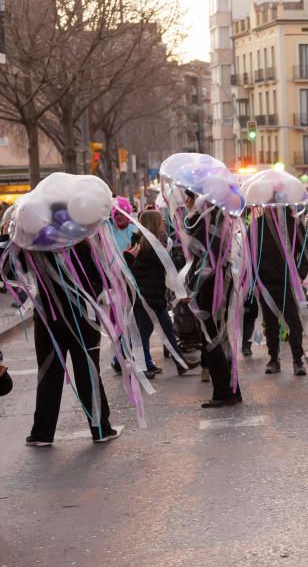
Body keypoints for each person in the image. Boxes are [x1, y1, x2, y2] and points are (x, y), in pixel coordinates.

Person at [25, 240, 118, 446]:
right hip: (83, 317)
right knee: (88, 372)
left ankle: (42, 433)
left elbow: (12, 270)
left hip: (49, 319)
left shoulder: (35, 245)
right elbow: (107, 279)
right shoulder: (87, 245)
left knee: (49, 373)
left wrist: (7, 239)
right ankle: (100, 429)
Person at [183, 191, 242, 407]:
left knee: (212, 337)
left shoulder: (211, 222)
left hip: (212, 287)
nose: (187, 202)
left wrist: (193, 289)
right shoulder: (216, 219)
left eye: (190, 198)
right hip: (216, 285)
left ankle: (223, 391)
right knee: (218, 337)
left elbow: (207, 260)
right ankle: (232, 390)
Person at [123, 209, 191, 376]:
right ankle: (139, 365)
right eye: (160, 220)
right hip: (145, 296)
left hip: (154, 294)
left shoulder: (153, 241)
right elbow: (164, 263)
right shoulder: (144, 243)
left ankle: (180, 362)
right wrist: (182, 258)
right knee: (145, 332)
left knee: (165, 329)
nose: (163, 222)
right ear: (153, 223)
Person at [255, 207, 308, 376]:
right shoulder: (257, 225)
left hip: (289, 282)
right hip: (265, 282)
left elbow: (306, 251)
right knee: (270, 323)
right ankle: (273, 359)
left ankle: (297, 360)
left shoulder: (293, 224)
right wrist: (253, 277)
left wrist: (300, 274)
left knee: (293, 322)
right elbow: (250, 252)